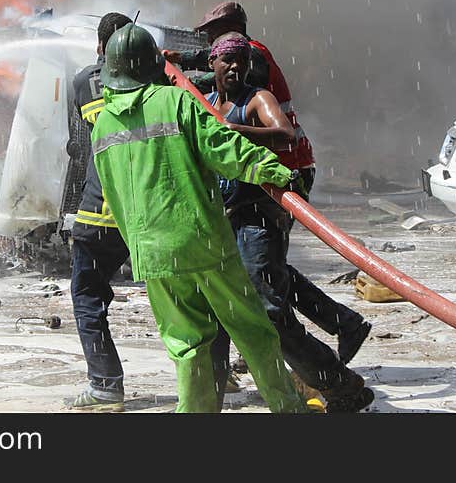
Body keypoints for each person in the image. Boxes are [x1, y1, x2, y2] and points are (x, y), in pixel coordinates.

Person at [91, 22, 307, 413]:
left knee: (187, 345)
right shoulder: (175, 102)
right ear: (153, 64)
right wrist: (277, 173)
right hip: (202, 241)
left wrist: (140, 246)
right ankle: (290, 410)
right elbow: (224, 148)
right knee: (253, 331)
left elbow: (115, 195)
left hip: (153, 256)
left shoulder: (103, 125)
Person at [164, 0, 371, 368]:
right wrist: (177, 62)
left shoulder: (252, 60)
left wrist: (184, 72)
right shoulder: (224, 79)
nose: (224, 58)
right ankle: (340, 324)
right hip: (253, 181)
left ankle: (324, 361)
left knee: (262, 270)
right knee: (257, 269)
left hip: (280, 176)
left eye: (213, 36)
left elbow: (272, 125)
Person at [203, 30, 373, 412]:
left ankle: (341, 384)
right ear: (212, 63)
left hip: (258, 217)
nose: (235, 66)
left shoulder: (255, 100)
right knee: (218, 306)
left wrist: (237, 131)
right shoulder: (206, 102)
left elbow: (284, 134)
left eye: (241, 60)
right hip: (223, 218)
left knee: (270, 310)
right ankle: (208, 398)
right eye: (227, 59)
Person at [67, 12, 133, 412]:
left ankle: (106, 386)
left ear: (100, 48)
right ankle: (217, 374)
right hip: (152, 214)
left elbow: (79, 144)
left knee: (88, 295)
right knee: (188, 297)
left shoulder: (84, 82)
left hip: (101, 212)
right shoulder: (162, 89)